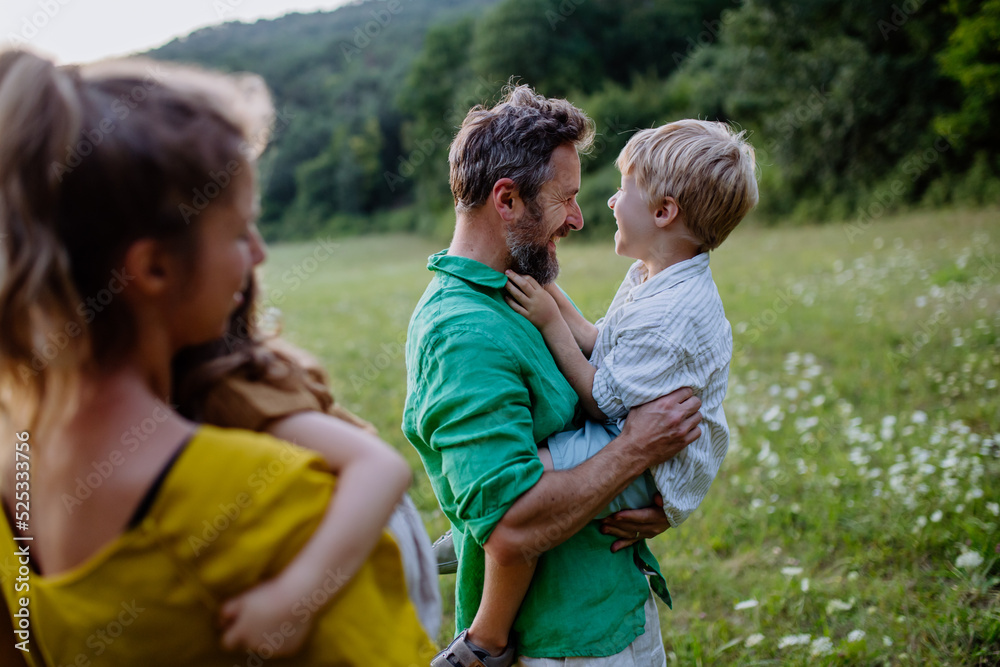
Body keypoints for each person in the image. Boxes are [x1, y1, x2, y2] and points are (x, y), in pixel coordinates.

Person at [0, 49, 435, 665]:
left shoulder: (15, 474)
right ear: (152, 268)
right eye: (237, 232)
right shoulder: (271, 512)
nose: (257, 256)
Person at [403, 84, 704, 667]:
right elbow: (513, 527)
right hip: (560, 644)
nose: (579, 216)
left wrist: (661, 493)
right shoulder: (462, 333)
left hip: (613, 606)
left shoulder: (522, 286)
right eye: (564, 198)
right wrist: (638, 450)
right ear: (507, 200)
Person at [473, 119, 759, 660]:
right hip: (636, 436)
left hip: (647, 459)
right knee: (525, 481)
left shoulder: (672, 312)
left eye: (624, 188)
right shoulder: (657, 274)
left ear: (663, 212)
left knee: (523, 482)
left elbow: (603, 398)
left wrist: (549, 321)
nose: (607, 202)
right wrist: (550, 289)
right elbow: (603, 341)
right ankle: (479, 539)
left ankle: (482, 568)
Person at [171, 276, 442, 648]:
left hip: (370, 551)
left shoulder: (228, 393)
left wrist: (293, 599)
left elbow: (381, 467)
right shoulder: (237, 370)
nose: (258, 251)